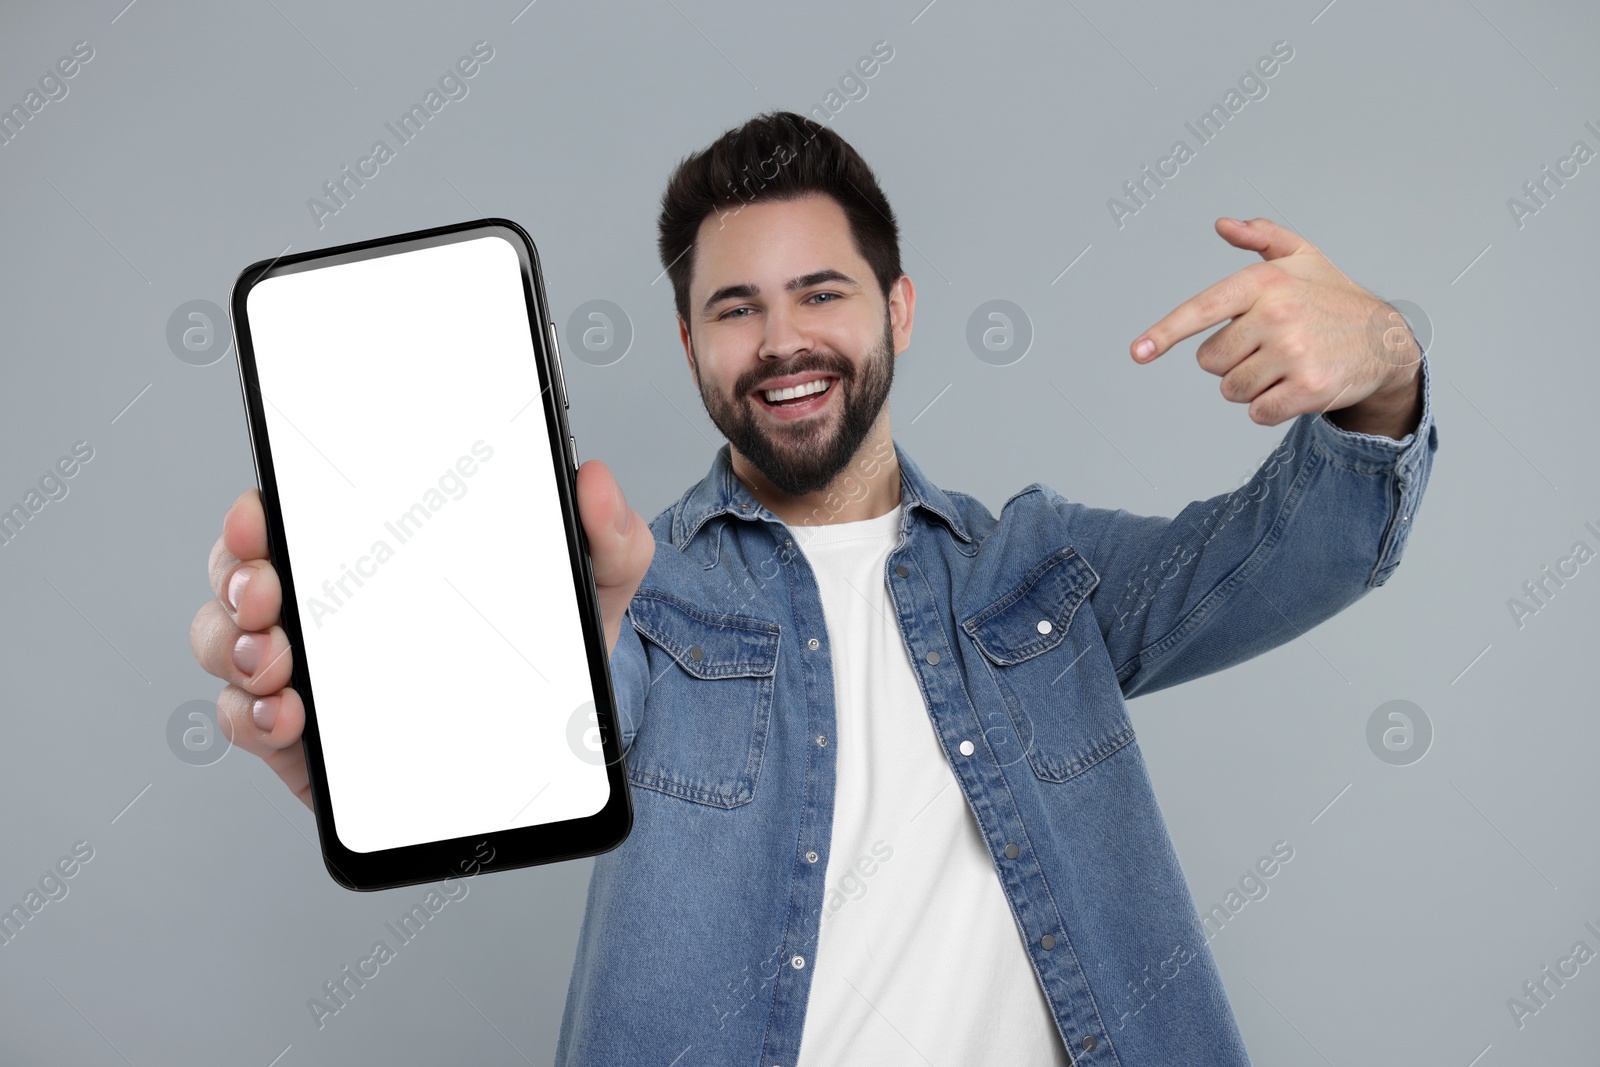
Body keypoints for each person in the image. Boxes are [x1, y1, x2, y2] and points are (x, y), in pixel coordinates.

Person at [191, 110, 1437, 1065]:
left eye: (821, 292)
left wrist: (1384, 360)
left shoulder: (1042, 574)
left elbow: (1297, 551)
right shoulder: (636, 594)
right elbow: (543, 732)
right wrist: (380, 729)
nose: (782, 340)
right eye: (736, 308)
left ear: (896, 307)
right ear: (689, 344)